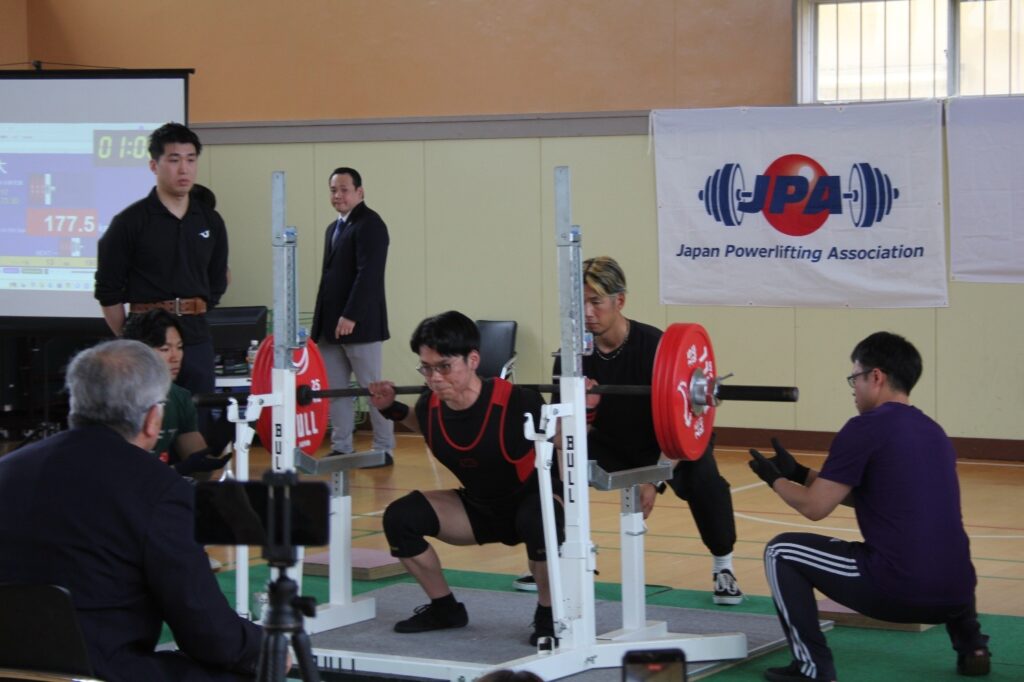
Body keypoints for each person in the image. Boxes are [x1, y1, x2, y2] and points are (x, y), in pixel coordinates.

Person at [0, 340, 264, 680]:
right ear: (153, 418)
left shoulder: (8, 470)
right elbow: (209, 634)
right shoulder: (157, 489)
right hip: (100, 671)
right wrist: (261, 645)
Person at [747, 332, 990, 681]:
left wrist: (773, 480)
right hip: (957, 594)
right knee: (942, 549)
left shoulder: (865, 427)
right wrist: (798, 473)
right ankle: (973, 647)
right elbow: (872, 496)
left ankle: (811, 667)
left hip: (899, 590)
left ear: (876, 376)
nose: (853, 389)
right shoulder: (934, 432)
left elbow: (815, 508)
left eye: (855, 378)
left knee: (781, 551)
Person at [520, 256, 743, 605]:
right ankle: (551, 555)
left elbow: (683, 423)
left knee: (704, 481)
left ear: (619, 301)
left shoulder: (656, 348)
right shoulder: (571, 354)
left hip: (665, 440)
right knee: (545, 468)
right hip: (609, 441)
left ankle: (723, 566)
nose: (587, 313)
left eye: (596, 302)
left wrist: (653, 478)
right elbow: (563, 433)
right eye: (580, 303)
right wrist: (585, 413)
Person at [367, 311, 563, 644]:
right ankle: (445, 609)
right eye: (426, 368)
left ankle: (550, 615)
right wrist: (391, 408)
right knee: (400, 518)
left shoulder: (516, 401)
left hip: (532, 503)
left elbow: (563, 439)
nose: (434, 378)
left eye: (444, 367)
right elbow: (426, 426)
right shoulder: (430, 405)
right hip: (477, 510)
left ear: (473, 360)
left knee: (540, 518)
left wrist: (587, 409)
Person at [95, 122, 229, 410]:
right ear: (154, 166)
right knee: (146, 417)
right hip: (147, 340)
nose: (184, 169)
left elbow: (217, 280)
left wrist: (195, 308)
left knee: (199, 417)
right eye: (174, 159)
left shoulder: (210, 220)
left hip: (196, 337)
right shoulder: (129, 222)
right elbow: (108, 291)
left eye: (190, 160)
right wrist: (131, 338)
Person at [311, 167, 394, 466]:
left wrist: (350, 315)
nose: (338, 195)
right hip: (330, 327)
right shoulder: (333, 228)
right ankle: (342, 446)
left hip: (360, 325)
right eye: (333, 190)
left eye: (344, 189)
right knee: (336, 391)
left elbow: (369, 274)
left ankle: (383, 447)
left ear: (360, 192)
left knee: (374, 391)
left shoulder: (371, 224)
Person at [122, 309, 232, 478]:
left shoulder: (179, 397)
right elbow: (125, 476)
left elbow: (201, 473)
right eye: (165, 349)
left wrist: (216, 445)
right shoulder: (116, 398)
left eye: (179, 347)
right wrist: (178, 470)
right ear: (138, 353)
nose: (176, 357)